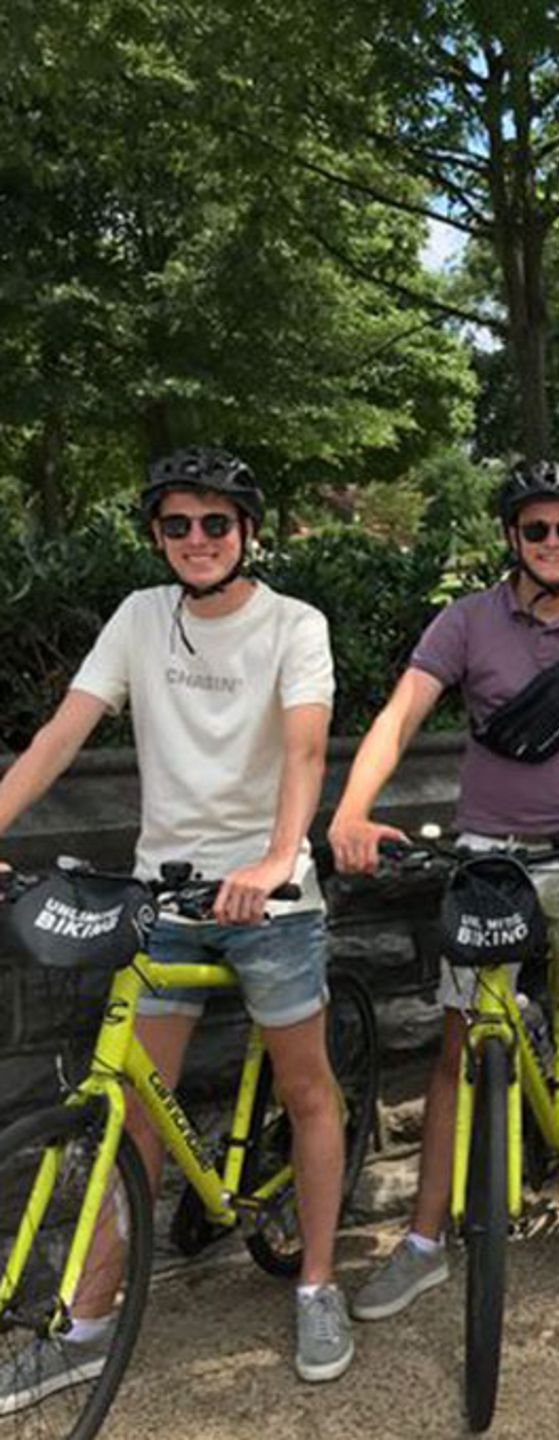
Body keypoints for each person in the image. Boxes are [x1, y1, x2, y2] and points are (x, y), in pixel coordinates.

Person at [0, 447, 346, 1408]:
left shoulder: (294, 624)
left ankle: (319, 1281)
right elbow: (61, 734)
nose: (197, 541)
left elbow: (307, 748)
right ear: (157, 535)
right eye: (177, 525)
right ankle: (91, 1318)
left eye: (215, 524)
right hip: (164, 897)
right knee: (133, 1115)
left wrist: (278, 858)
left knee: (307, 1088)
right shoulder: (140, 619)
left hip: (269, 900)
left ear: (248, 532)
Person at [330, 460, 559, 1309]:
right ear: (511, 537)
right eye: (537, 529)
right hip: (491, 857)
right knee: (456, 1049)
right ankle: (422, 1240)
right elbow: (399, 717)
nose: (554, 544)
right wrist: (350, 809)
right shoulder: (464, 623)